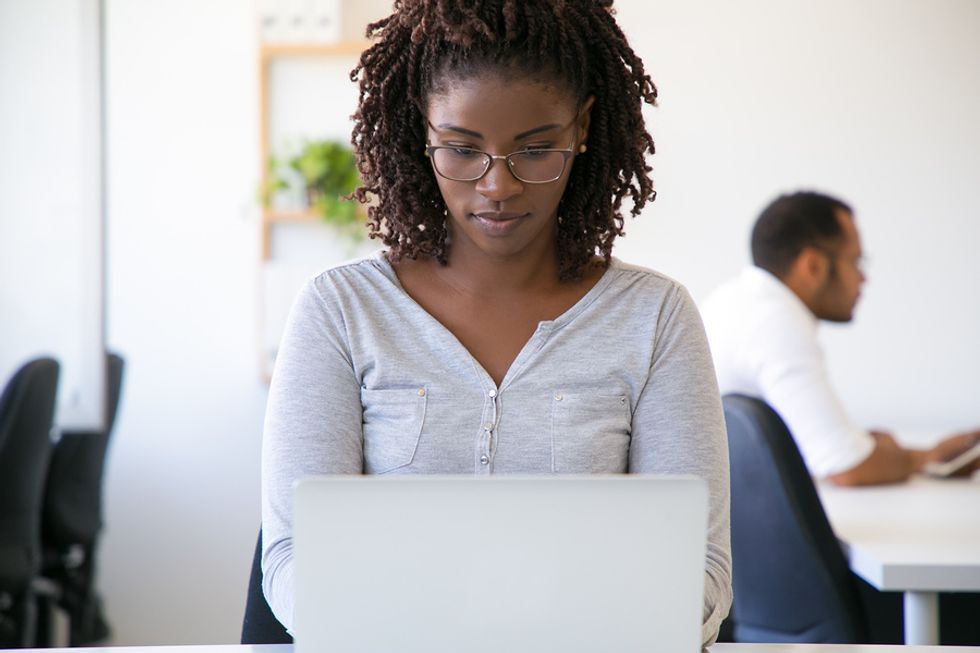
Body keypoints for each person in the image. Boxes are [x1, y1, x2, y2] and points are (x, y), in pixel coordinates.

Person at [261, 0, 732, 646]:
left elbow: (701, 576)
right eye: (461, 149)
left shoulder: (656, 319)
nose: (498, 187)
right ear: (421, 132)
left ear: (583, 128)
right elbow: (294, 561)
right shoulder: (341, 312)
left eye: (536, 150)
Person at [701, 191, 980, 486]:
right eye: (856, 261)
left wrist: (862, 445)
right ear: (813, 266)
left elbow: (822, 450)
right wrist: (926, 457)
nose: (864, 278)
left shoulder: (731, 300)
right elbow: (847, 467)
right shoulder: (775, 321)